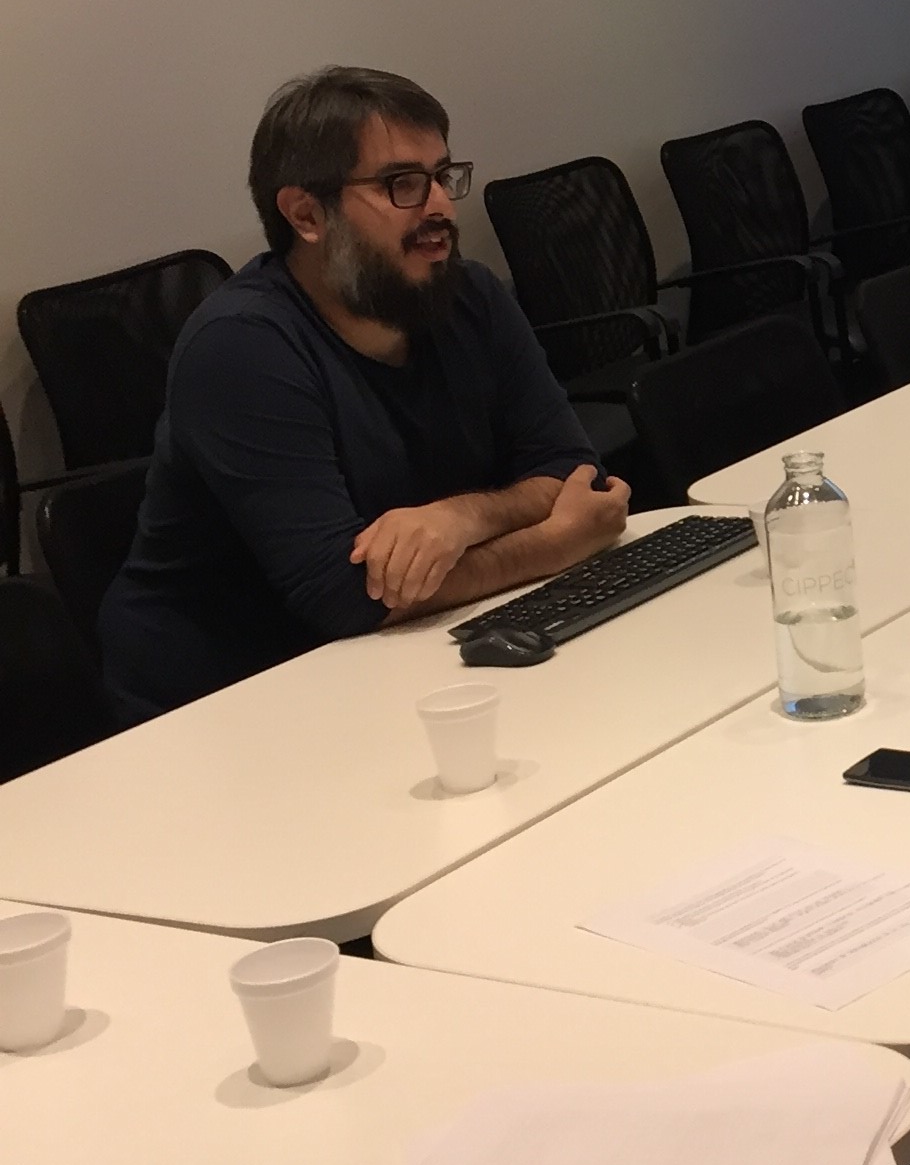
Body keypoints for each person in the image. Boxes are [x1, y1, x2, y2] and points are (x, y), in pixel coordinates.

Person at [99, 66, 625, 724]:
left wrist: (462, 520)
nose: (439, 205)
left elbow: (572, 470)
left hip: (398, 659)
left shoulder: (471, 296)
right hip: (225, 704)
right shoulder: (241, 349)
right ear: (306, 214)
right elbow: (345, 597)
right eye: (401, 184)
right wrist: (554, 544)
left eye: (442, 175)